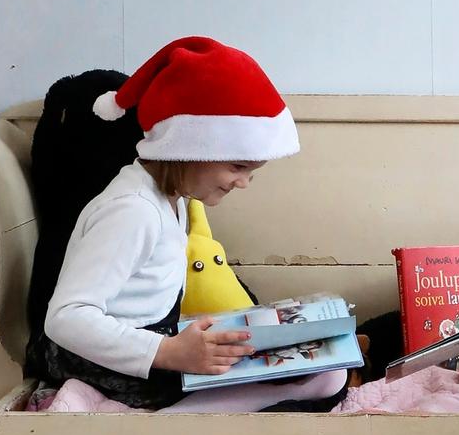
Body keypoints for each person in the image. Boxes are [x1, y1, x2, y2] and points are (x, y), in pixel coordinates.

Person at [31, 37, 345, 412]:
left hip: (151, 339)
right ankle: (138, 412)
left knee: (330, 374)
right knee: (315, 383)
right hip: (91, 355)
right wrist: (167, 351)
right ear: (190, 148)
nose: (243, 182)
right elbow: (65, 318)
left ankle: (279, 387)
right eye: (238, 167)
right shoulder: (131, 212)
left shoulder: (171, 201)